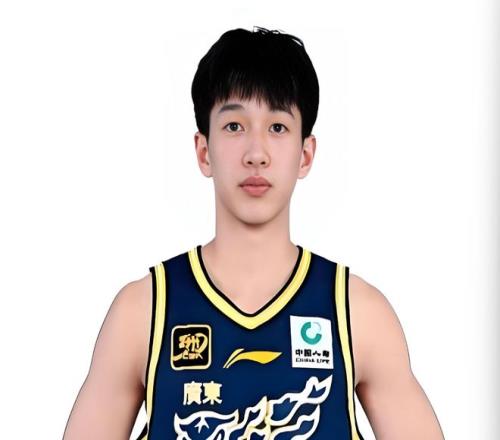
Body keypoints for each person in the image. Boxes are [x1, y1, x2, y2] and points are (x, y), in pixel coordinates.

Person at [63, 26, 445, 439]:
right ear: (203, 151)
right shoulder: (143, 312)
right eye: (234, 126)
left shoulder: (358, 314)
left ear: (305, 154)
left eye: (277, 127)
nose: (256, 154)